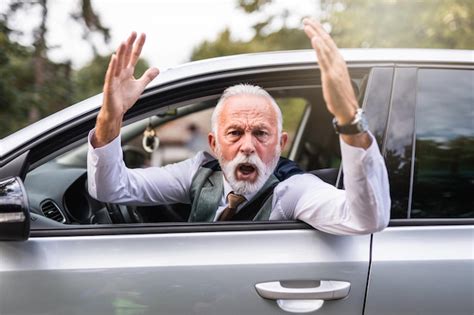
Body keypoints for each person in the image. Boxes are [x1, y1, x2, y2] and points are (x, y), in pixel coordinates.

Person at [87, 18, 390, 235]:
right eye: (234, 133)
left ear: (280, 143)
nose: (247, 146)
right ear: (214, 143)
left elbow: (366, 220)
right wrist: (110, 118)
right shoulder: (198, 172)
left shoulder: (294, 190)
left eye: (261, 133)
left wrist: (349, 120)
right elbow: (111, 187)